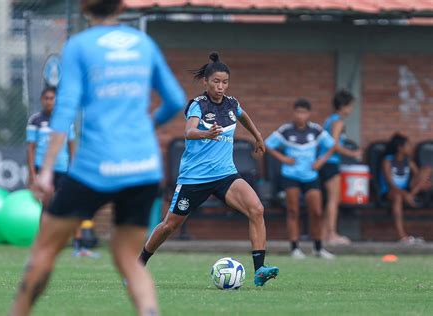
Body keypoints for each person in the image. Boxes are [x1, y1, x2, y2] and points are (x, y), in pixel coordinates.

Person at [10, 0, 186, 315]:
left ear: (84, 7)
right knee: (127, 258)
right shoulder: (143, 43)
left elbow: (64, 112)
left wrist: (46, 169)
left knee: (45, 249)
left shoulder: (80, 46)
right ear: (121, 6)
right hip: (143, 167)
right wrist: (147, 126)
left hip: (96, 166)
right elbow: (174, 99)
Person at [139, 52, 279, 287]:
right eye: (216, 82)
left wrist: (257, 136)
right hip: (195, 178)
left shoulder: (232, 104)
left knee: (256, 208)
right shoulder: (198, 105)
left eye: (225, 82)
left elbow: (243, 116)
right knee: (169, 226)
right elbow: (189, 131)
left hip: (225, 174)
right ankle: (139, 263)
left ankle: (260, 269)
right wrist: (207, 133)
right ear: (206, 81)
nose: (220, 86)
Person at [26, 87, 94, 258]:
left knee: (71, 205)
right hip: (44, 169)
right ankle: (43, 244)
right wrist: (33, 174)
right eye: (47, 98)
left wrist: (75, 168)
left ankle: (79, 246)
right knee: (47, 207)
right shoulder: (35, 121)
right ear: (42, 100)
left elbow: (72, 146)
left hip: (63, 169)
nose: (50, 101)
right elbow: (31, 149)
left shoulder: (65, 121)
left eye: (53, 98)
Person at [265, 99, 336, 260]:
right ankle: (294, 248)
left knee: (317, 211)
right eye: (297, 112)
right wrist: (283, 158)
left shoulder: (316, 130)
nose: (300, 115)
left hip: (310, 176)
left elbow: (332, 145)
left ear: (308, 114)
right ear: (293, 113)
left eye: (303, 112)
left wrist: (320, 161)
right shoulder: (286, 130)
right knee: (293, 211)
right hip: (291, 175)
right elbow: (267, 145)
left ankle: (318, 247)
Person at [319, 90, 362, 245]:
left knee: (330, 200)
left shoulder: (329, 120)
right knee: (333, 199)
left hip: (325, 163)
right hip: (330, 163)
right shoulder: (338, 121)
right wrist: (352, 153)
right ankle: (332, 234)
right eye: (350, 106)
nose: (351, 110)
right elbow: (334, 144)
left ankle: (324, 234)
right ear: (344, 106)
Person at [380, 133, 431, 244]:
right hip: (391, 192)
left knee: (426, 168)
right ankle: (402, 236)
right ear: (400, 147)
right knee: (398, 197)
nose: (410, 147)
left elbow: (418, 177)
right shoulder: (388, 161)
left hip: (408, 191)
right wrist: (405, 195)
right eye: (408, 145)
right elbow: (391, 184)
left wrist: (424, 184)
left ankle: (412, 196)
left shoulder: (408, 161)